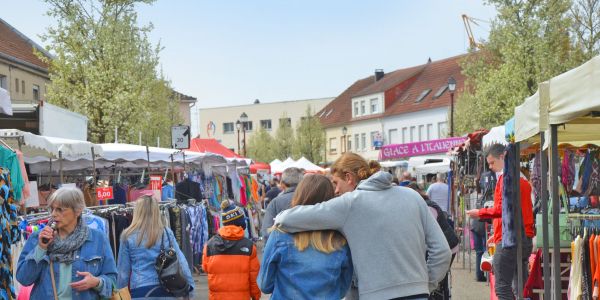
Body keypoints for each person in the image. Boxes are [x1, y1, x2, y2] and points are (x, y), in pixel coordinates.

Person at [275, 153, 451, 300]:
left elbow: (287, 219)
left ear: (349, 178)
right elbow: (442, 251)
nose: (335, 190)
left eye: (336, 183)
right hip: (418, 293)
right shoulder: (412, 196)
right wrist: (425, 283)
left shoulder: (350, 203)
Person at [258, 174, 353, 299]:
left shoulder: (279, 235)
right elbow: (343, 287)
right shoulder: (340, 240)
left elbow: (265, 285)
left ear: (299, 195)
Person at [17, 187, 117, 299]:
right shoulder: (39, 237)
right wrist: (41, 248)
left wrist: (97, 282)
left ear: (78, 211)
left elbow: (112, 280)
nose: (54, 214)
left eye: (60, 209)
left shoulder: (97, 239)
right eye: (52, 209)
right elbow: (23, 279)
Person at [466, 143, 534, 300]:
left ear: (502, 157)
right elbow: (513, 212)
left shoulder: (506, 179)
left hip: (509, 240)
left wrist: (480, 213)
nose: (490, 167)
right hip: (525, 238)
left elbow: (501, 210)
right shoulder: (523, 179)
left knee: (502, 287)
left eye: (492, 162)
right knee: (518, 288)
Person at [117, 195, 194, 299]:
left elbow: (123, 273)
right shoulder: (166, 232)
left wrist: (119, 293)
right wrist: (190, 288)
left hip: (140, 290)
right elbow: (181, 262)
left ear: (137, 212)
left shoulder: (127, 235)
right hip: (166, 288)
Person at [202, 200, 261, 300]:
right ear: (240, 222)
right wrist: (256, 296)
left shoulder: (209, 245)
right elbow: (253, 278)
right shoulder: (249, 246)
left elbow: (205, 268)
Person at [260, 167, 304, 240]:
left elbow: (266, 232)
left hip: (282, 248)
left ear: (282, 184)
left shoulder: (275, 203)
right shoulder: (311, 199)